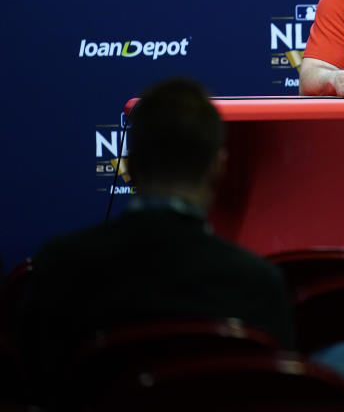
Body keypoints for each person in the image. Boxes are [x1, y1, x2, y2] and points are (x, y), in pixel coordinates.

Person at [17, 79, 295, 393]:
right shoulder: (257, 283)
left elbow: (32, 385)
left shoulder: (59, 265)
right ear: (219, 167)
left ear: (130, 166)